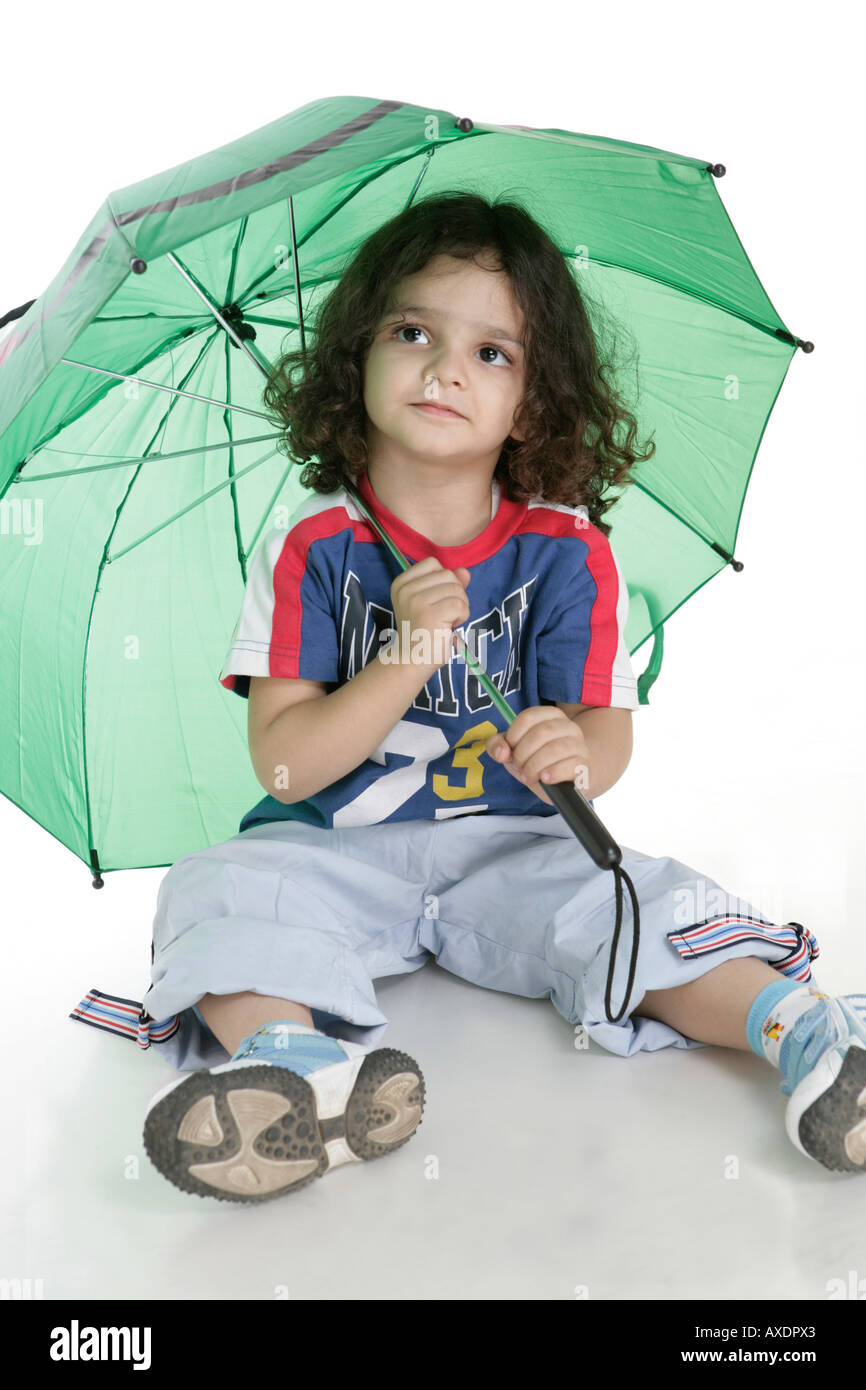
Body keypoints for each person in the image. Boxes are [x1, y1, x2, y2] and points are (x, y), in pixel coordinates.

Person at [70, 192, 866, 1204]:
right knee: (213, 886)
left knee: (640, 898)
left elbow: (605, 734)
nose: (444, 366)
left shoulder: (566, 550)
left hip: (514, 848)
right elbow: (282, 763)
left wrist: (573, 754)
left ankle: (805, 1033)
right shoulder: (313, 547)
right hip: (331, 850)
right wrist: (404, 654)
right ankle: (294, 1068)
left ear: (532, 402)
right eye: (411, 332)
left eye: (491, 352)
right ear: (353, 358)